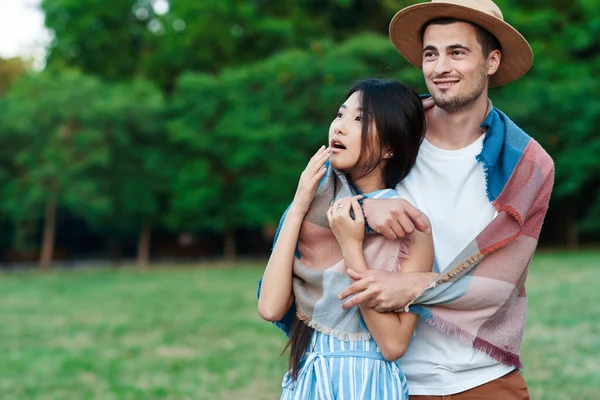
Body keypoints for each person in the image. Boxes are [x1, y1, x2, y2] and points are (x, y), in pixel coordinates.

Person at [338, 1, 555, 399]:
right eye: (430, 54)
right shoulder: (389, 129)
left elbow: (499, 283)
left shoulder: (528, 164)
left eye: (457, 52)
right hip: (384, 378)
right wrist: (366, 208)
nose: (440, 68)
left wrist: (413, 287)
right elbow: (321, 195)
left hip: (483, 378)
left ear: (491, 61)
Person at [257, 78, 433, 399]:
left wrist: (352, 247)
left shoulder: (410, 227)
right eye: (340, 114)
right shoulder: (313, 213)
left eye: (359, 119)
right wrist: (298, 205)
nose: (339, 127)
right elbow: (270, 307)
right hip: (308, 378)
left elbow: (393, 344)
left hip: (365, 383)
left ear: (390, 146)